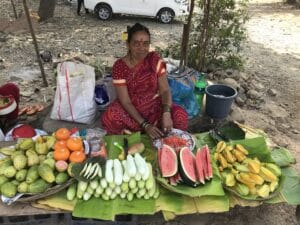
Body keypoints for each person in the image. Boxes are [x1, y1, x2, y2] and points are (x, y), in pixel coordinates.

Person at [101, 23, 188, 139]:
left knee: (180, 115)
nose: (141, 48)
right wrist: (145, 124)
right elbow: (125, 101)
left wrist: (166, 113)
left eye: (145, 44)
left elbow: (165, 90)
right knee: (110, 116)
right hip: (131, 111)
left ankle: (162, 138)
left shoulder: (154, 60)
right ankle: (144, 132)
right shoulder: (119, 67)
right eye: (136, 43)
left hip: (155, 108)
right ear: (128, 44)